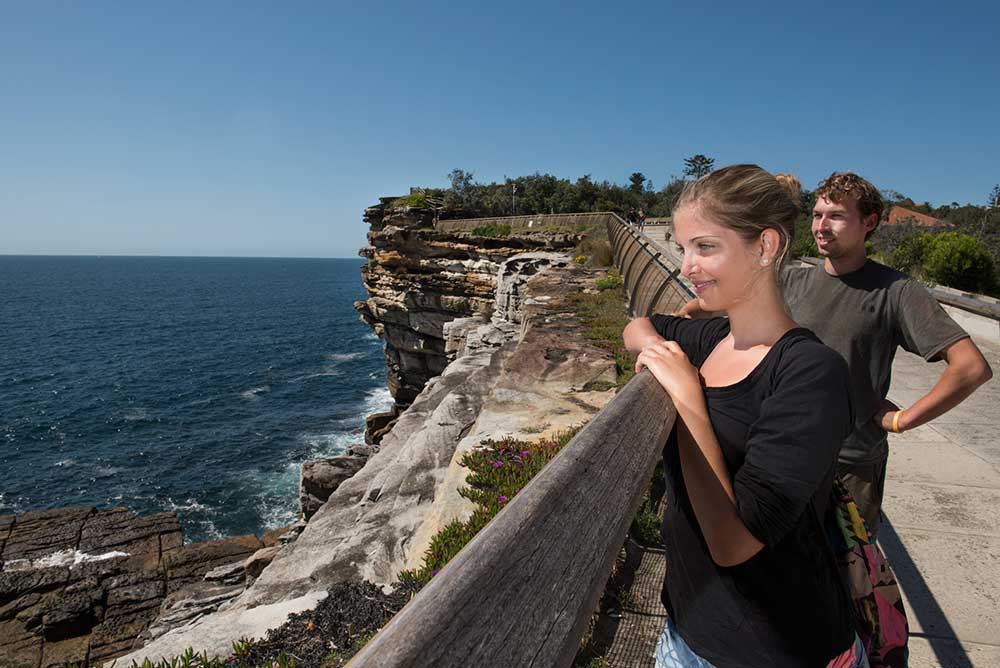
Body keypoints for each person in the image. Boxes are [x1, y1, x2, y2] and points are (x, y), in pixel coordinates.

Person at [624, 164, 867, 668]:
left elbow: (733, 543)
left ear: (765, 247)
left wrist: (687, 397)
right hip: (685, 631)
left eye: (705, 247)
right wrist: (654, 349)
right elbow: (639, 324)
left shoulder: (810, 374)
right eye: (683, 246)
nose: (686, 267)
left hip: (777, 650)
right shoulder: (711, 338)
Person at [674, 172, 993, 535]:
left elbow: (970, 367)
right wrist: (688, 312)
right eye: (817, 214)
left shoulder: (896, 291)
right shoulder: (792, 280)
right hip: (779, 454)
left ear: (869, 222)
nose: (822, 226)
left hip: (849, 466)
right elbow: (723, 300)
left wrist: (903, 419)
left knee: (846, 578)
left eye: (836, 216)